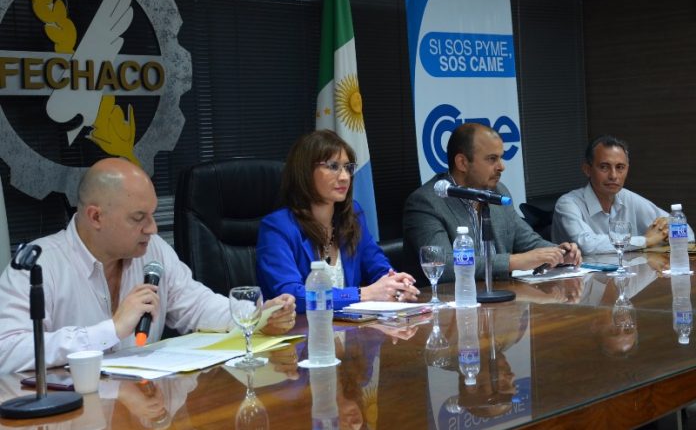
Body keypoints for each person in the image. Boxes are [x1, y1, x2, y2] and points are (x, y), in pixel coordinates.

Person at [0, 158, 296, 373]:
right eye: (138, 218)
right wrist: (111, 329)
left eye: (153, 215)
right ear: (95, 217)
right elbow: (7, 351)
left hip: (144, 405)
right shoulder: (38, 265)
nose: (152, 228)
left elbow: (197, 305)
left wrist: (257, 315)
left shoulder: (152, 250)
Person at [256, 130, 419, 312]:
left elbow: (378, 267)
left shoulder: (352, 215)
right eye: (333, 166)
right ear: (305, 171)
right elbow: (293, 297)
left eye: (348, 167)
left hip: (352, 327)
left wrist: (396, 285)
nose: (345, 177)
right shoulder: (277, 228)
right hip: (304, 328)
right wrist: (362, 294)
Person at [403, 123, 581, 283]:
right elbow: (445, 266)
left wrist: (559, 253)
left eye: (500, 158)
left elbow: (527, 241)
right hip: (450, 302)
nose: (501, 166)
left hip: (501, 297)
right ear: (462, 163)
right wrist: (513, 262)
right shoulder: (427, 202)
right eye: (492, 159)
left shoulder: (497, 192)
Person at [552, 135, 694, 254]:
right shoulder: (567, 203)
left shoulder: (628, 198)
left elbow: (687, 232)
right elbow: (587, 245)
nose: (613, 176)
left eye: (620, 167)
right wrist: (646, 240)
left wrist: (665, 232)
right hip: (580, 278)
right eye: (604, 167)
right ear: (587, 170)